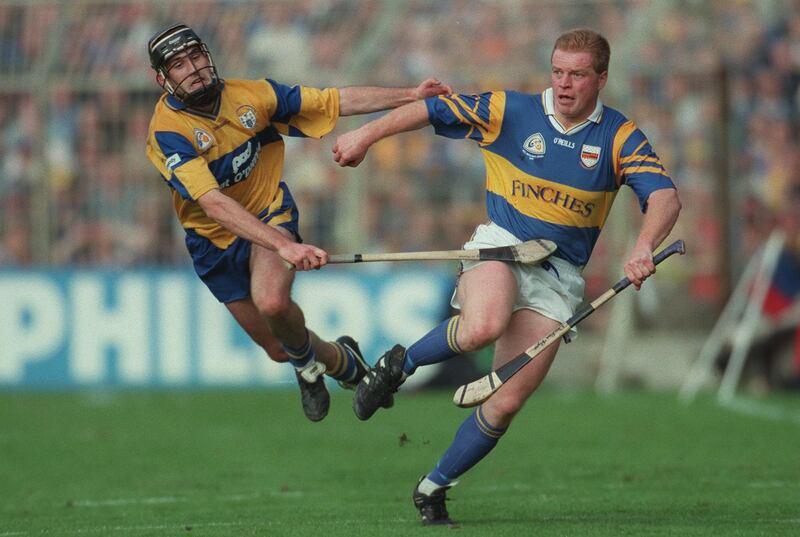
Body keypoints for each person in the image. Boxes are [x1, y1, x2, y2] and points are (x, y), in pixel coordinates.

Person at [333, 28, 681, 525]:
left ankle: (433, 488)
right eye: (557, 71)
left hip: (558, 276)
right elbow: (433, 110)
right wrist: (364, 136)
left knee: (505, 401)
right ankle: (397, 367)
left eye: (577, 75)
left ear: (601, 78)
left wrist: (643, 246)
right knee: (482, 324)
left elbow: (665, 196)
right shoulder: (510, 110)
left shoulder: (619, 137)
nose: (564, 84)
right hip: (501, 245)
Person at [144, 23, 451, 422]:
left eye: (197, 56)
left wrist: (409, 94)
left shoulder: (252, 95)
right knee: (278, 347)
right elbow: (213, 203)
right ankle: (348, 365)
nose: (195, 68)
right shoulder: (167, 133)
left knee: (272, 301)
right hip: (212, 241)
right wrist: (284, 246)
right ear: (162, 79)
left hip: (269, 212)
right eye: (180, 64)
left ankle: (307, 371)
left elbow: (332, 101)